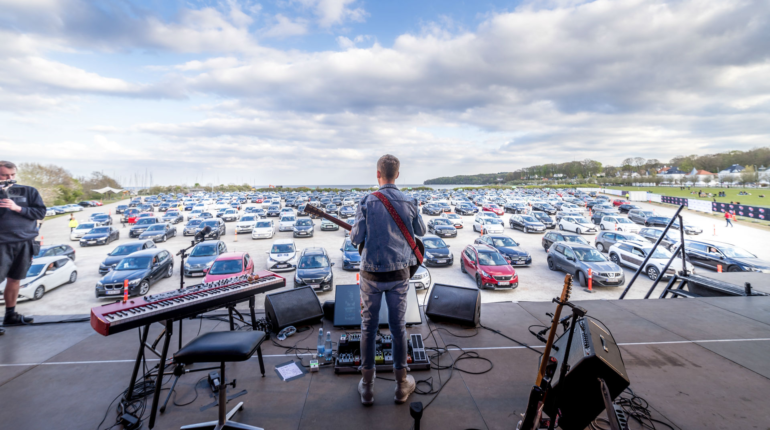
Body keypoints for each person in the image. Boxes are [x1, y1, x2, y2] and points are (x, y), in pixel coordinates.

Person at [350, 154, 427, 406]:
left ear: (377, 174)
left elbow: (356, 236)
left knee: (368, 328)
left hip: (370, 275)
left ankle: (368, 388)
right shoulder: (409, 200)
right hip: (399, 276)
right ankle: (401, 386)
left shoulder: (367, 201)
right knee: (398, 328)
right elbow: (421, 232)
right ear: (398, 174)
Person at [0, 161, 46, 335]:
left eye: (12, 175)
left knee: (15, 279)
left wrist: (17, 208)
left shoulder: (29, 191)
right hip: (1, 243)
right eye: (5, 175)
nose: (9, 178)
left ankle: (10, 316)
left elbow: (40, 213)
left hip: (24, 241)